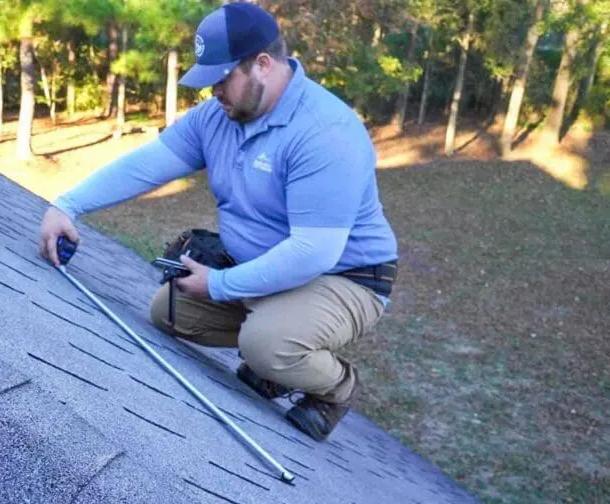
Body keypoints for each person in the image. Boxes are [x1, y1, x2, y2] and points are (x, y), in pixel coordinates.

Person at [37, 2, 398, 442]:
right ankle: (276, 362)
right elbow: (148, 164)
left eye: (222, 79)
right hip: (269, 267)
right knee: (166, 311)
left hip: (344, 276)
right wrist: (67, 206)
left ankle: (335, 386)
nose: (214, 93)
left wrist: (220, 286)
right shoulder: (218, 117)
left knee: (266, 345)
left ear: (263, 65)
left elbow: (313, 252)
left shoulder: (325, 133)